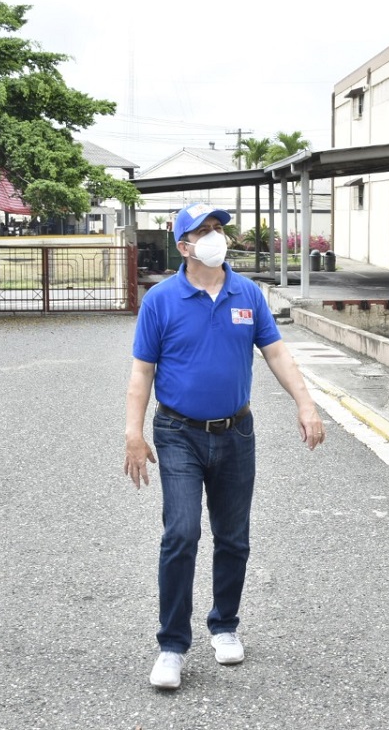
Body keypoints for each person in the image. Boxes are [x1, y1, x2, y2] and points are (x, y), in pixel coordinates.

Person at [124, 203, 325, 691]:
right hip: (178, 433)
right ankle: (172, 645)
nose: (216, 237)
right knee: (182, 533)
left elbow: (276, 351)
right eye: (204, 230)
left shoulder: (247, 293)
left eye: (219, 229)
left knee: (234, 537)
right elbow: (142, 372)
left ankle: (225, 624)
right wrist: (134, 432)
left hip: (237, 432)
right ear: (184, 245)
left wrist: (306, 404)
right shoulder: (162, 299)